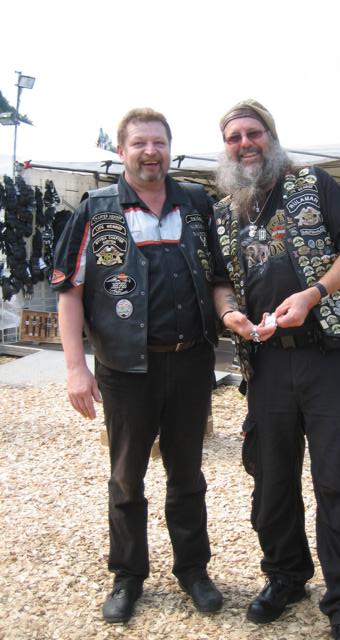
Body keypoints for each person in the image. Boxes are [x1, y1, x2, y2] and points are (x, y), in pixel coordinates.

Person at [52, 108, 223, 624]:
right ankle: (128, 575)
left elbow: (220, 273)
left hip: (191, 363)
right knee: (126, 478)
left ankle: (193, 570)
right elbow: (69, 291)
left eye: (159, 143)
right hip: (125, 371)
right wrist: (75, 369)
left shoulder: (196, 203)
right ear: (121, 151)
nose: (151, 152)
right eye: (140, 143)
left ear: (170, 149)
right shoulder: (96, 208)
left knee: (188, 474)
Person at [212, 99, 340, 640]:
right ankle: (285, 577)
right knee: (272, 482)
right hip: (267, 365)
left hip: (329, 356)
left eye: (253, 133)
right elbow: (220, 282)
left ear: (271, 136)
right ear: (226, 147)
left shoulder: (314, 184)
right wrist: (228, 314)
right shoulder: (223, 211)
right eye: (234, 137)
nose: (245, 144)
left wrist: (313, 293)